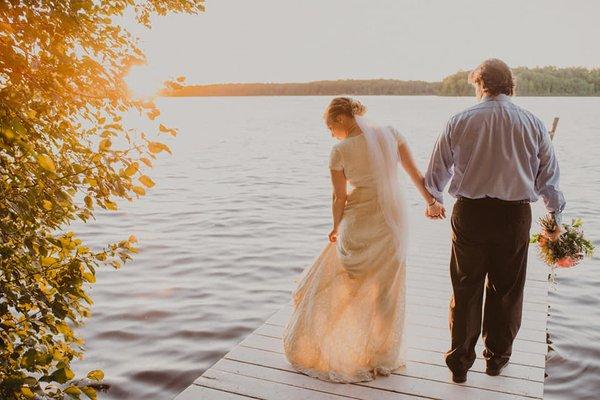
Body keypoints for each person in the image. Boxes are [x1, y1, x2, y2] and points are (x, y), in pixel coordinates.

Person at [282, 96, 444, 382]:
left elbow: (339, 196)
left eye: (330, 127)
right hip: (391, 223)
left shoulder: (340, 150)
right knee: (386, 290)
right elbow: (414, 174)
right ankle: (380, 355)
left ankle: (346, 348)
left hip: (357, 223)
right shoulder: (391, 134)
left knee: (346, 282)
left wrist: (335, 227)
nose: (331, 133)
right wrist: (431, 201)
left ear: (341, 119)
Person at [424, 58, 566, 383]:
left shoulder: (459, 120)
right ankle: (496, 359)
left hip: (470, 214)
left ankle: (459, 362)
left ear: (480, 83)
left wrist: (433, 201)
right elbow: (549, 179)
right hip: (514, 216)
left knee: (465, 287)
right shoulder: (532, 122)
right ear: (509, 85)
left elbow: (436, 172)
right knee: (507, 290)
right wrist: (555, 216)